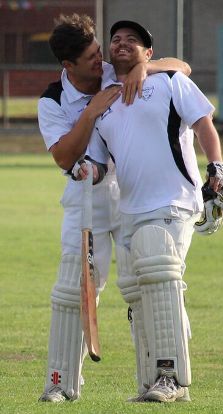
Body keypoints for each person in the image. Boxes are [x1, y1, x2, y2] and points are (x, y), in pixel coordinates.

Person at [37, 13, 192, 403]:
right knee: (74, 289)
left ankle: (161, 377)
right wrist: (90, 113)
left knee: (147, 285)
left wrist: (145, 65)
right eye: (89, 58)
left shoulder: (113, 71)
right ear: (67, 65)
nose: (99, 61)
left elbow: (182, 68)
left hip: (128, 196)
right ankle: (61, 383)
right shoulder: (52, 100)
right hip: (83, 200)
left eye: (97, 51)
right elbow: (62, 157)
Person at [79, 20, 223, 403]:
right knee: (138, 291)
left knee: (159, 275)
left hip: (174, 200)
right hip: (129, 207)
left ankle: (172, 378)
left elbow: (203, 123)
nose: (122, 43)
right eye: (116, 39)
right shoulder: (105, 100)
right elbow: (99, 162)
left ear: (148, 53)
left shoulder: (170, 81)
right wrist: (85, 170)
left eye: (134, 41)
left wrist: (217, 165)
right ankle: (149, 380)